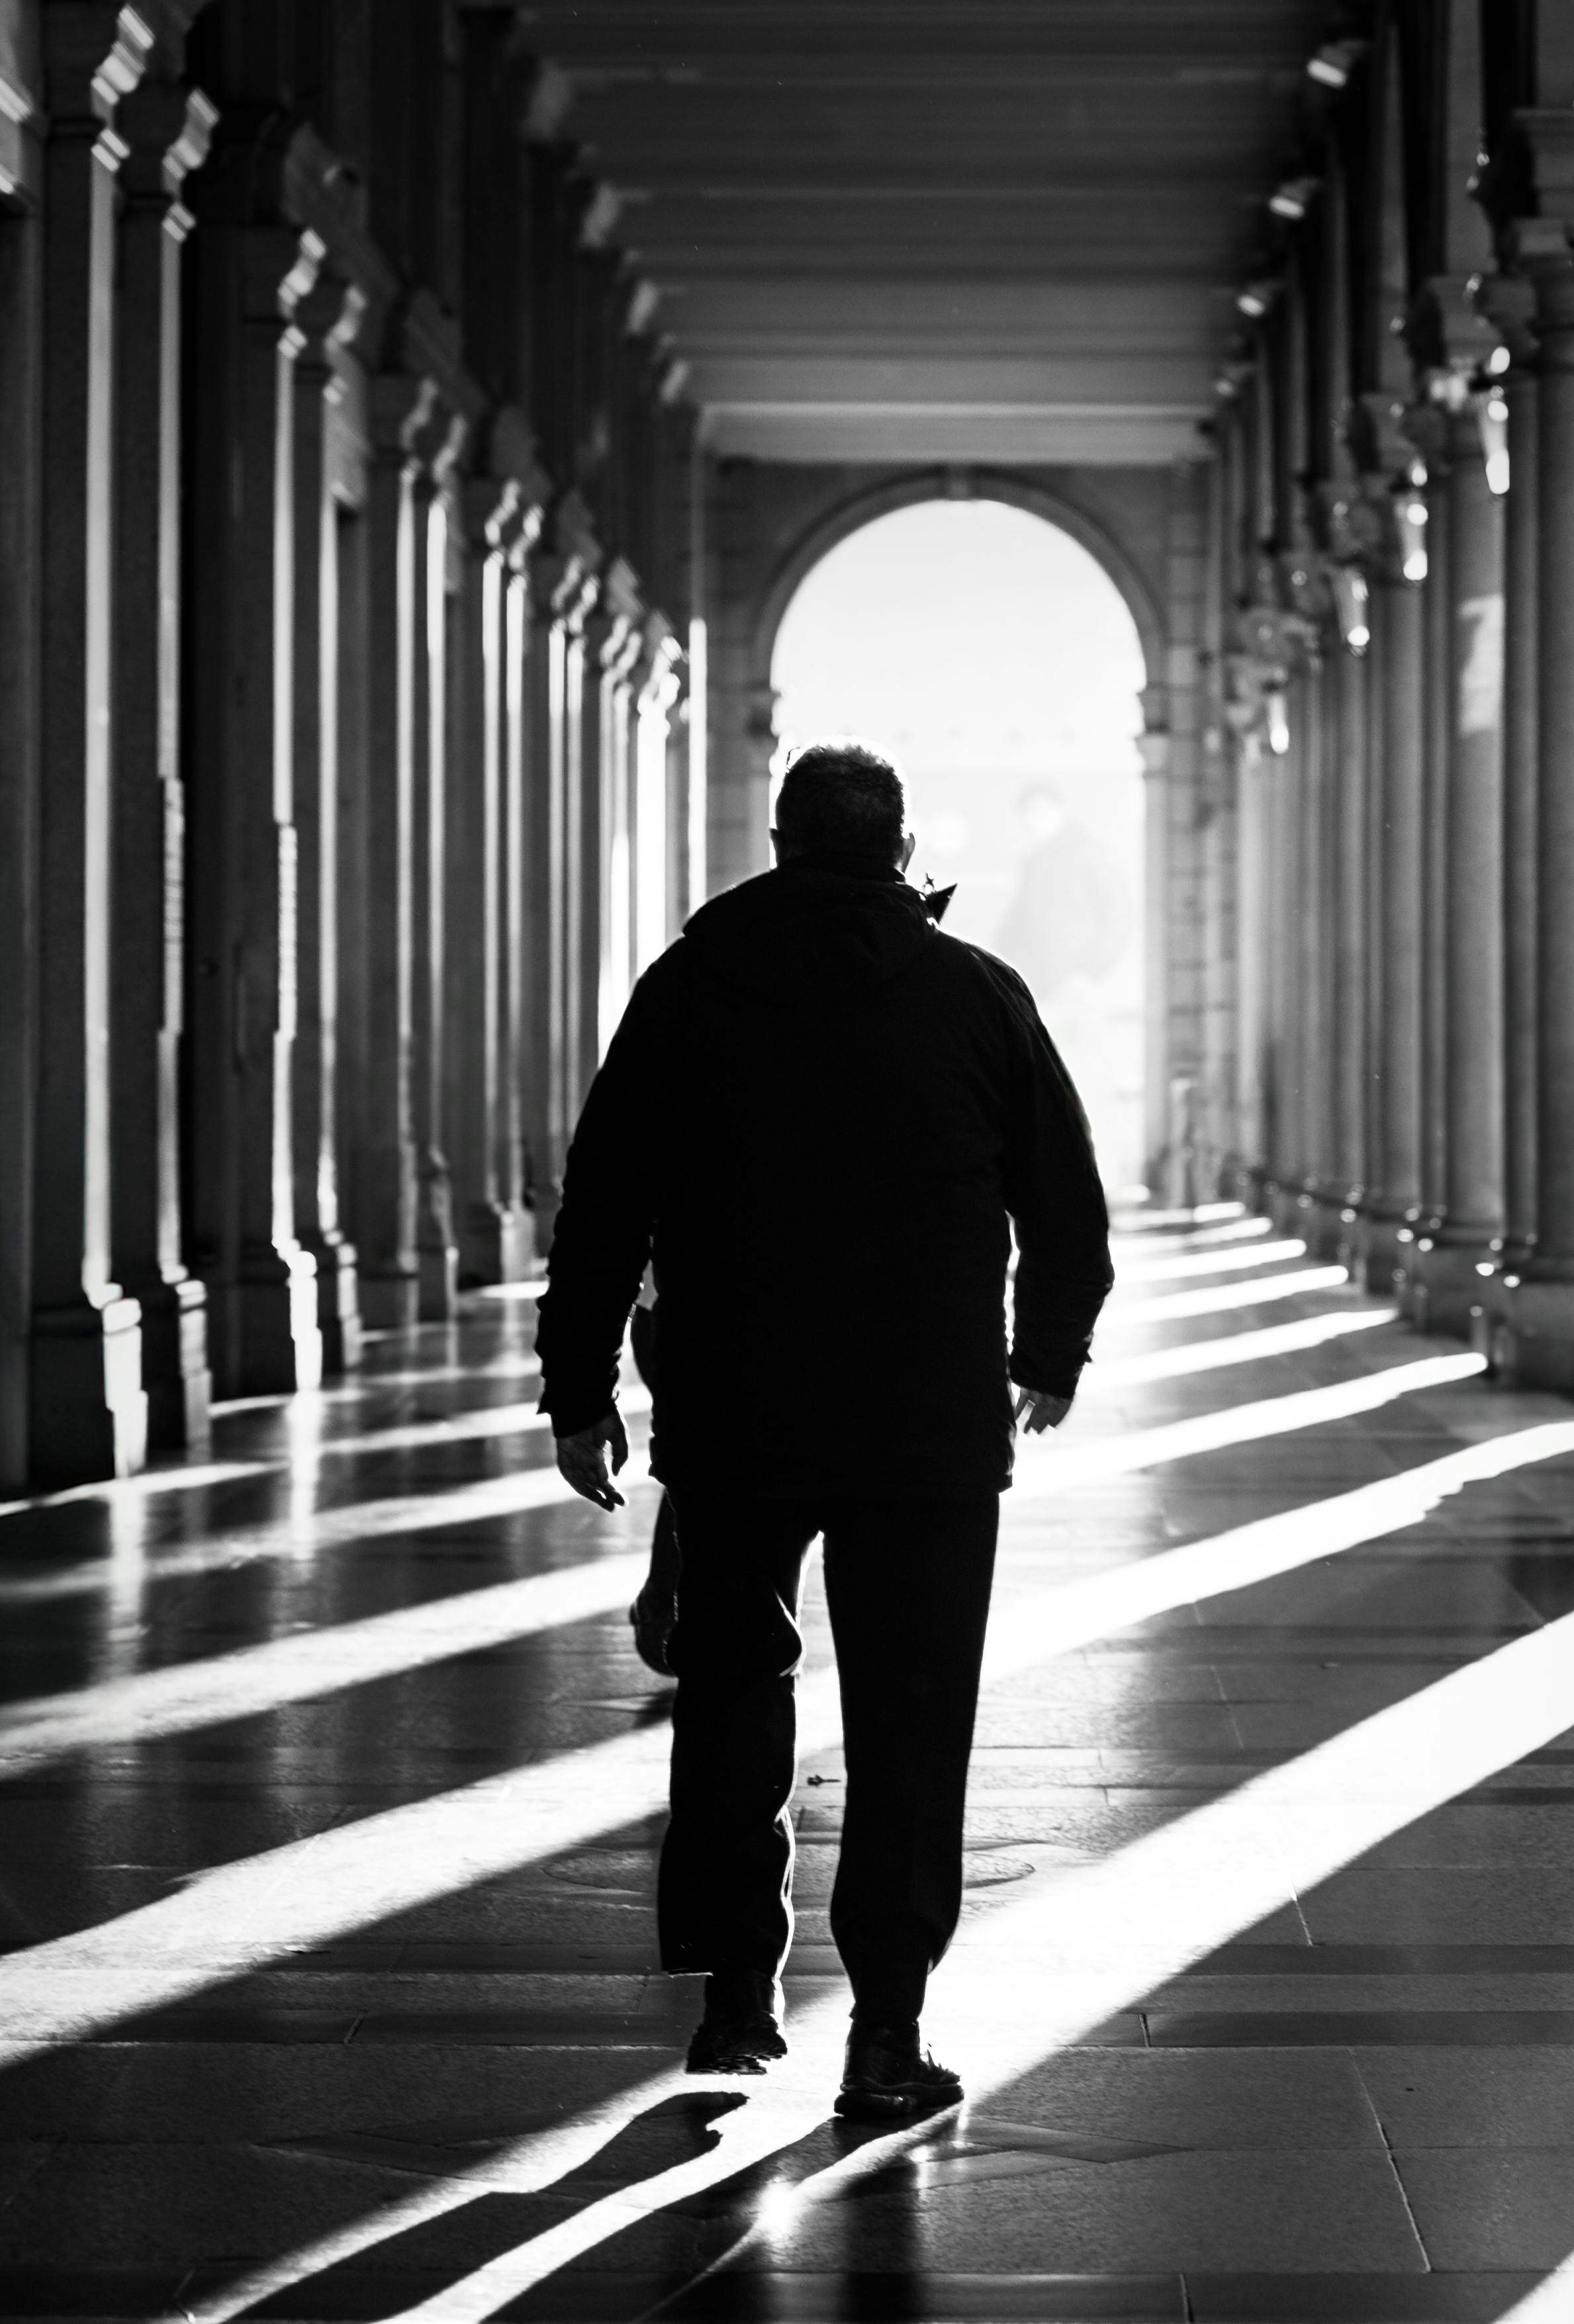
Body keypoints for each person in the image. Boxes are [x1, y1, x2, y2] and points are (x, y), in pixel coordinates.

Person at [537, 739, 1114, 2119]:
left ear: (785, 844)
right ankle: (888, 2033)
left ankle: (739, 2000)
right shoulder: (978, 994)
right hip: (926, 1417)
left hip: (739, 1405)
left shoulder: (689, 989)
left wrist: (581, 1389)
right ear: (903, 851)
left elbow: (604, 1198)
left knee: (733, 1682)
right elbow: (1068, 1203)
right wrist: (1045, 1356)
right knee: (916, 1713)